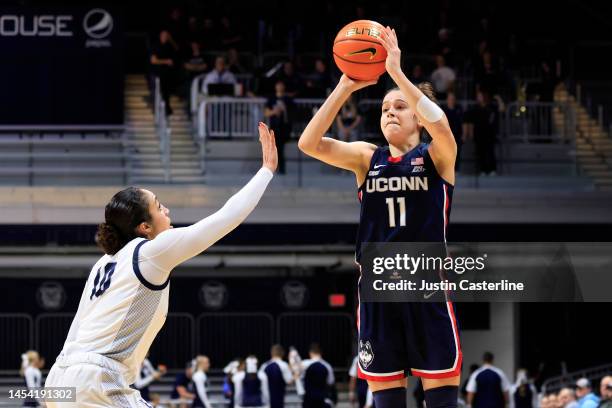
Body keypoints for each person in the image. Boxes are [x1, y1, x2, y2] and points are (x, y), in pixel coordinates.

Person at [43, 123, 277, 407]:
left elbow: (77, 327)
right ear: (144, 226)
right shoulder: (150, 251)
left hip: (59, 379)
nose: (166, 210)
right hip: (97, 378)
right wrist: (266, 171)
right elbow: (224, 219)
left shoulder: (104, 263)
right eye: (158, 205)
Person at [298, 26, 460, 408]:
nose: (390, 111)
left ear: (418, 116)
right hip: (378, 290)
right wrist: (345, 86)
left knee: (441, 400)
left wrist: (398, 75)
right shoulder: (366, 158)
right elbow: (309, 143)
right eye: (386, 107)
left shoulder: (437, 156)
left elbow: (442, 126)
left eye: (400, 106)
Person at [265, 80, 295, 174]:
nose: (280, 87)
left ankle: (280, 168)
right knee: (275, 148)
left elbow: (293, 112)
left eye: (281, 85)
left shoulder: (288, 100)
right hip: (274, 127)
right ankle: (275, 168)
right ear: (276, 87)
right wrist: (275, 111)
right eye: (278, 85)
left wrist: (284, 109)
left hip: (284, 127)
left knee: (279, 147)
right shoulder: (271, 99)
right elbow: (266, 112)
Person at [294, 344, 334, 408]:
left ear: (310, 353)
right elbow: (330, 382)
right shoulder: (327, 366)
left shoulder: (304, 364)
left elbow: (296, 376)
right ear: (321, 353)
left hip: (308, 398)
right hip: (322, 398)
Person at [150, 30, 179, 116]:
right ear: (160, 36)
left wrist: (171, 39)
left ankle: (167, 108)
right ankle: (160, 109)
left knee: (166, 92)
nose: (165, 37)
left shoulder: (169, 45)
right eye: (164, 35)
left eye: (167, 36)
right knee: (159, 91)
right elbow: (153, 60)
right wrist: (166, 61)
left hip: (167, 73)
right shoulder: (155, 45)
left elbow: (177, 48)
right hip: (157, 73)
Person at [442, 92, 465, 171]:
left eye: (453, 99)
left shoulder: (459, 109)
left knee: (456, 153)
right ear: (447, 100)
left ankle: (456, 170)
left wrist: (463, 135)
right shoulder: (443, 109)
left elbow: (463, 123)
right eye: (450, 99)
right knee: (446, 153)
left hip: (457, 135)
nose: (451, 100)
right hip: (446, 136)